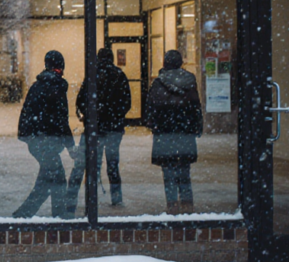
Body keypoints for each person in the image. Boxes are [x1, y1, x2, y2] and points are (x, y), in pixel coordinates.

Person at [66, 47, 132, 214]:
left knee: (86, 165)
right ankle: (116, 199)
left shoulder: (92, 75)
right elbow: (126, 103)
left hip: (94, 128)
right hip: (113, 129)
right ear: (111, 59)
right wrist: (115, 116)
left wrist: (91, 115)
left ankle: (81, 198)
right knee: (113, 164)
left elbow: (81, 100)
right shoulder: (119, 75)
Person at [14, 50, 75, 219]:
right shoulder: (56, 87)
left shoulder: (37, 85)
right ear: (61, 67)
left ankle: (23, 215)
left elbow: (27, 115)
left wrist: (31, 136)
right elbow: (62, 121)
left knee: (47, 181)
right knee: (57, 180)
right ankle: (59, 217)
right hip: (45, 142)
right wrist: (71, 147)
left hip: (36, 140)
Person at [145, 49, 203, 214]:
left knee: (168, 170)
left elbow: (151, 109)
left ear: (165, 63)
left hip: (165, 133)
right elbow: (195, 106)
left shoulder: (158, 83)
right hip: (184, 132)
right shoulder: (190, 81)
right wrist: (196, 126)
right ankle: (187, 203)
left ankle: (172, 204)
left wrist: (154, 125)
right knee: (184, 169)